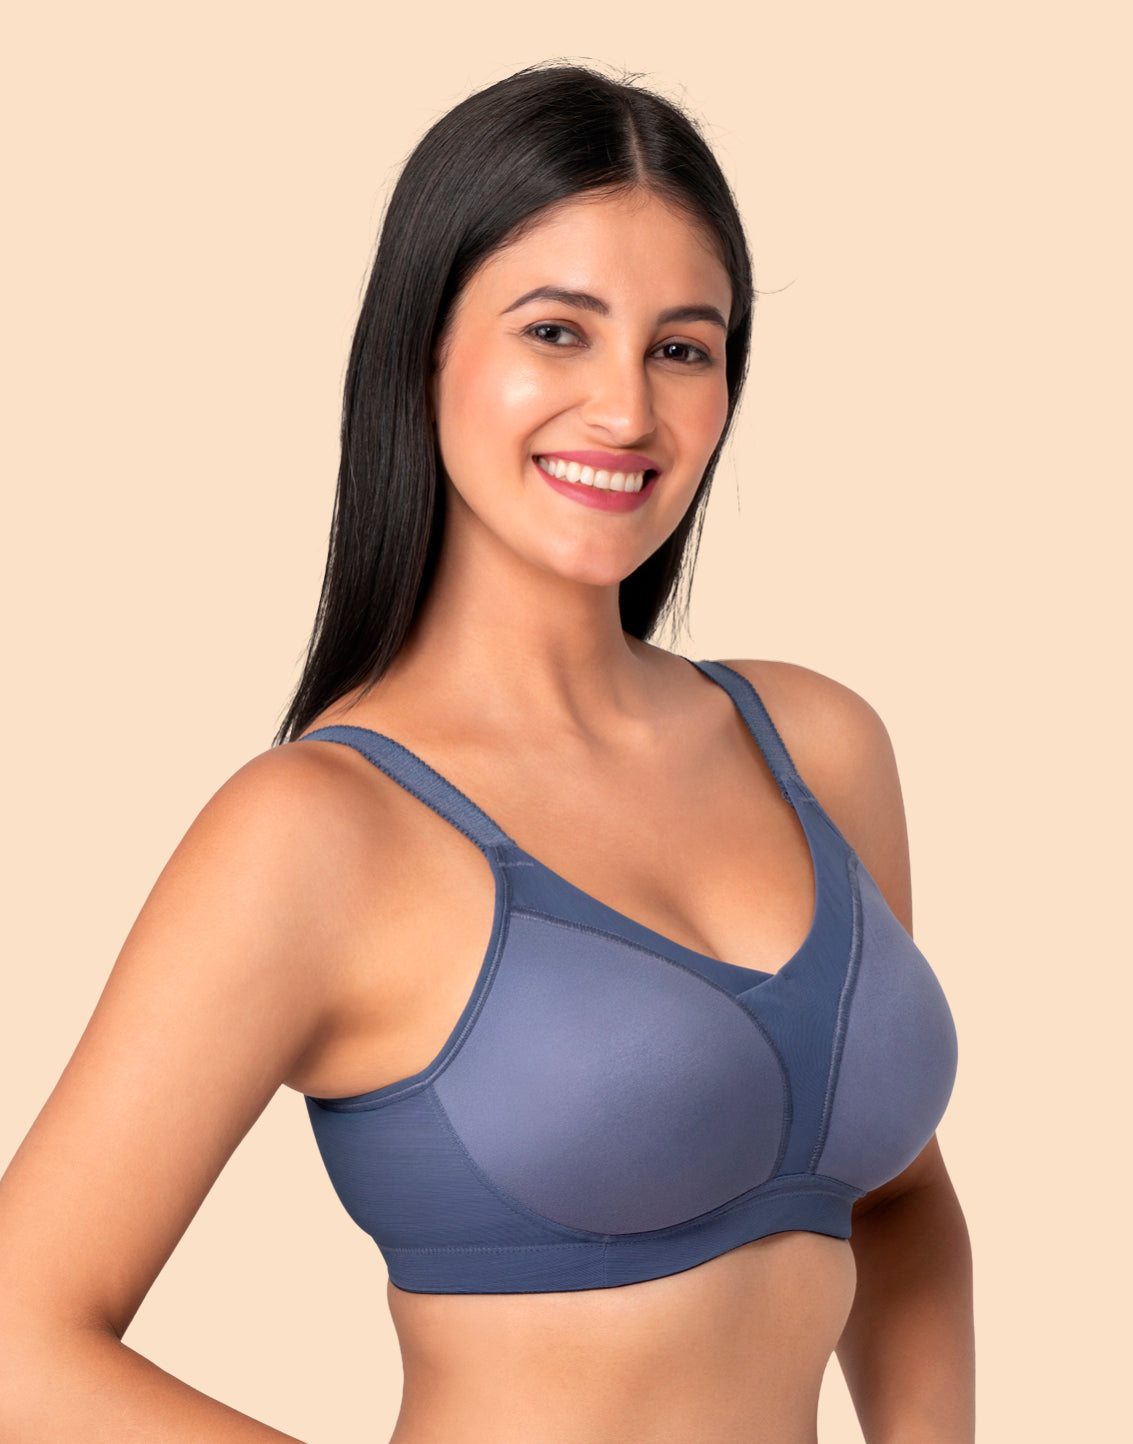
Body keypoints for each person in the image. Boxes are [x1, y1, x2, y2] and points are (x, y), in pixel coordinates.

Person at [0, 62, 974, 1444]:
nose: (625, 410)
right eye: (557, 332)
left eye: (682, 349)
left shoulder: (817, 744)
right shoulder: (317, 831)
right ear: (424, 351)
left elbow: (899, 1201)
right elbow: (19, 1341)